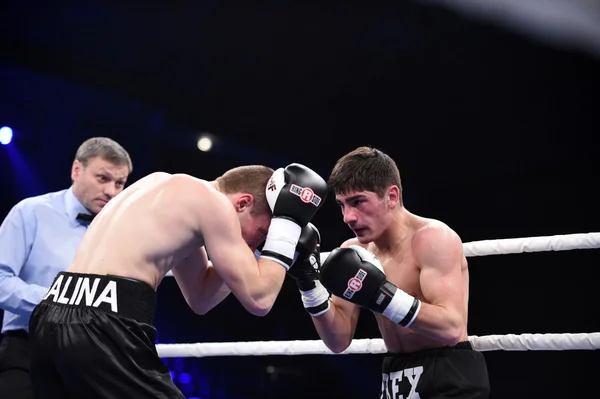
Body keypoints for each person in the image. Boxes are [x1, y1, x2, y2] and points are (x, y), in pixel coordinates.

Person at [28, 162, 328, 398]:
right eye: (262, 233)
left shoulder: (170, 191)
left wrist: (247, 250)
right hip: (103, 323)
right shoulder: (214, 204)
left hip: (52, 314)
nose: (260, 243)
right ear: (242, 203)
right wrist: (285, 234)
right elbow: (260, 299)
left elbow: (200, 298)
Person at [288, 146, 490, 398]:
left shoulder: (432, 238)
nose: (347, 217)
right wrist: (308, 282)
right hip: (396, 377)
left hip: (448, 373)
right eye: (341, 205)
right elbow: (337, 340)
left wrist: (382, 296)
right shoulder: (354, 251)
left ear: (392, 196)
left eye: (358, 202)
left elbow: (450, 328)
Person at [0, 137, 133, 399]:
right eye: (103, 178)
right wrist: (59, 302)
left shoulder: (120, 231)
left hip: (90, 362)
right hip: (29, 350)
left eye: (119, 183)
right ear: (76, 170)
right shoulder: (31, 212)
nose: (111, 191)